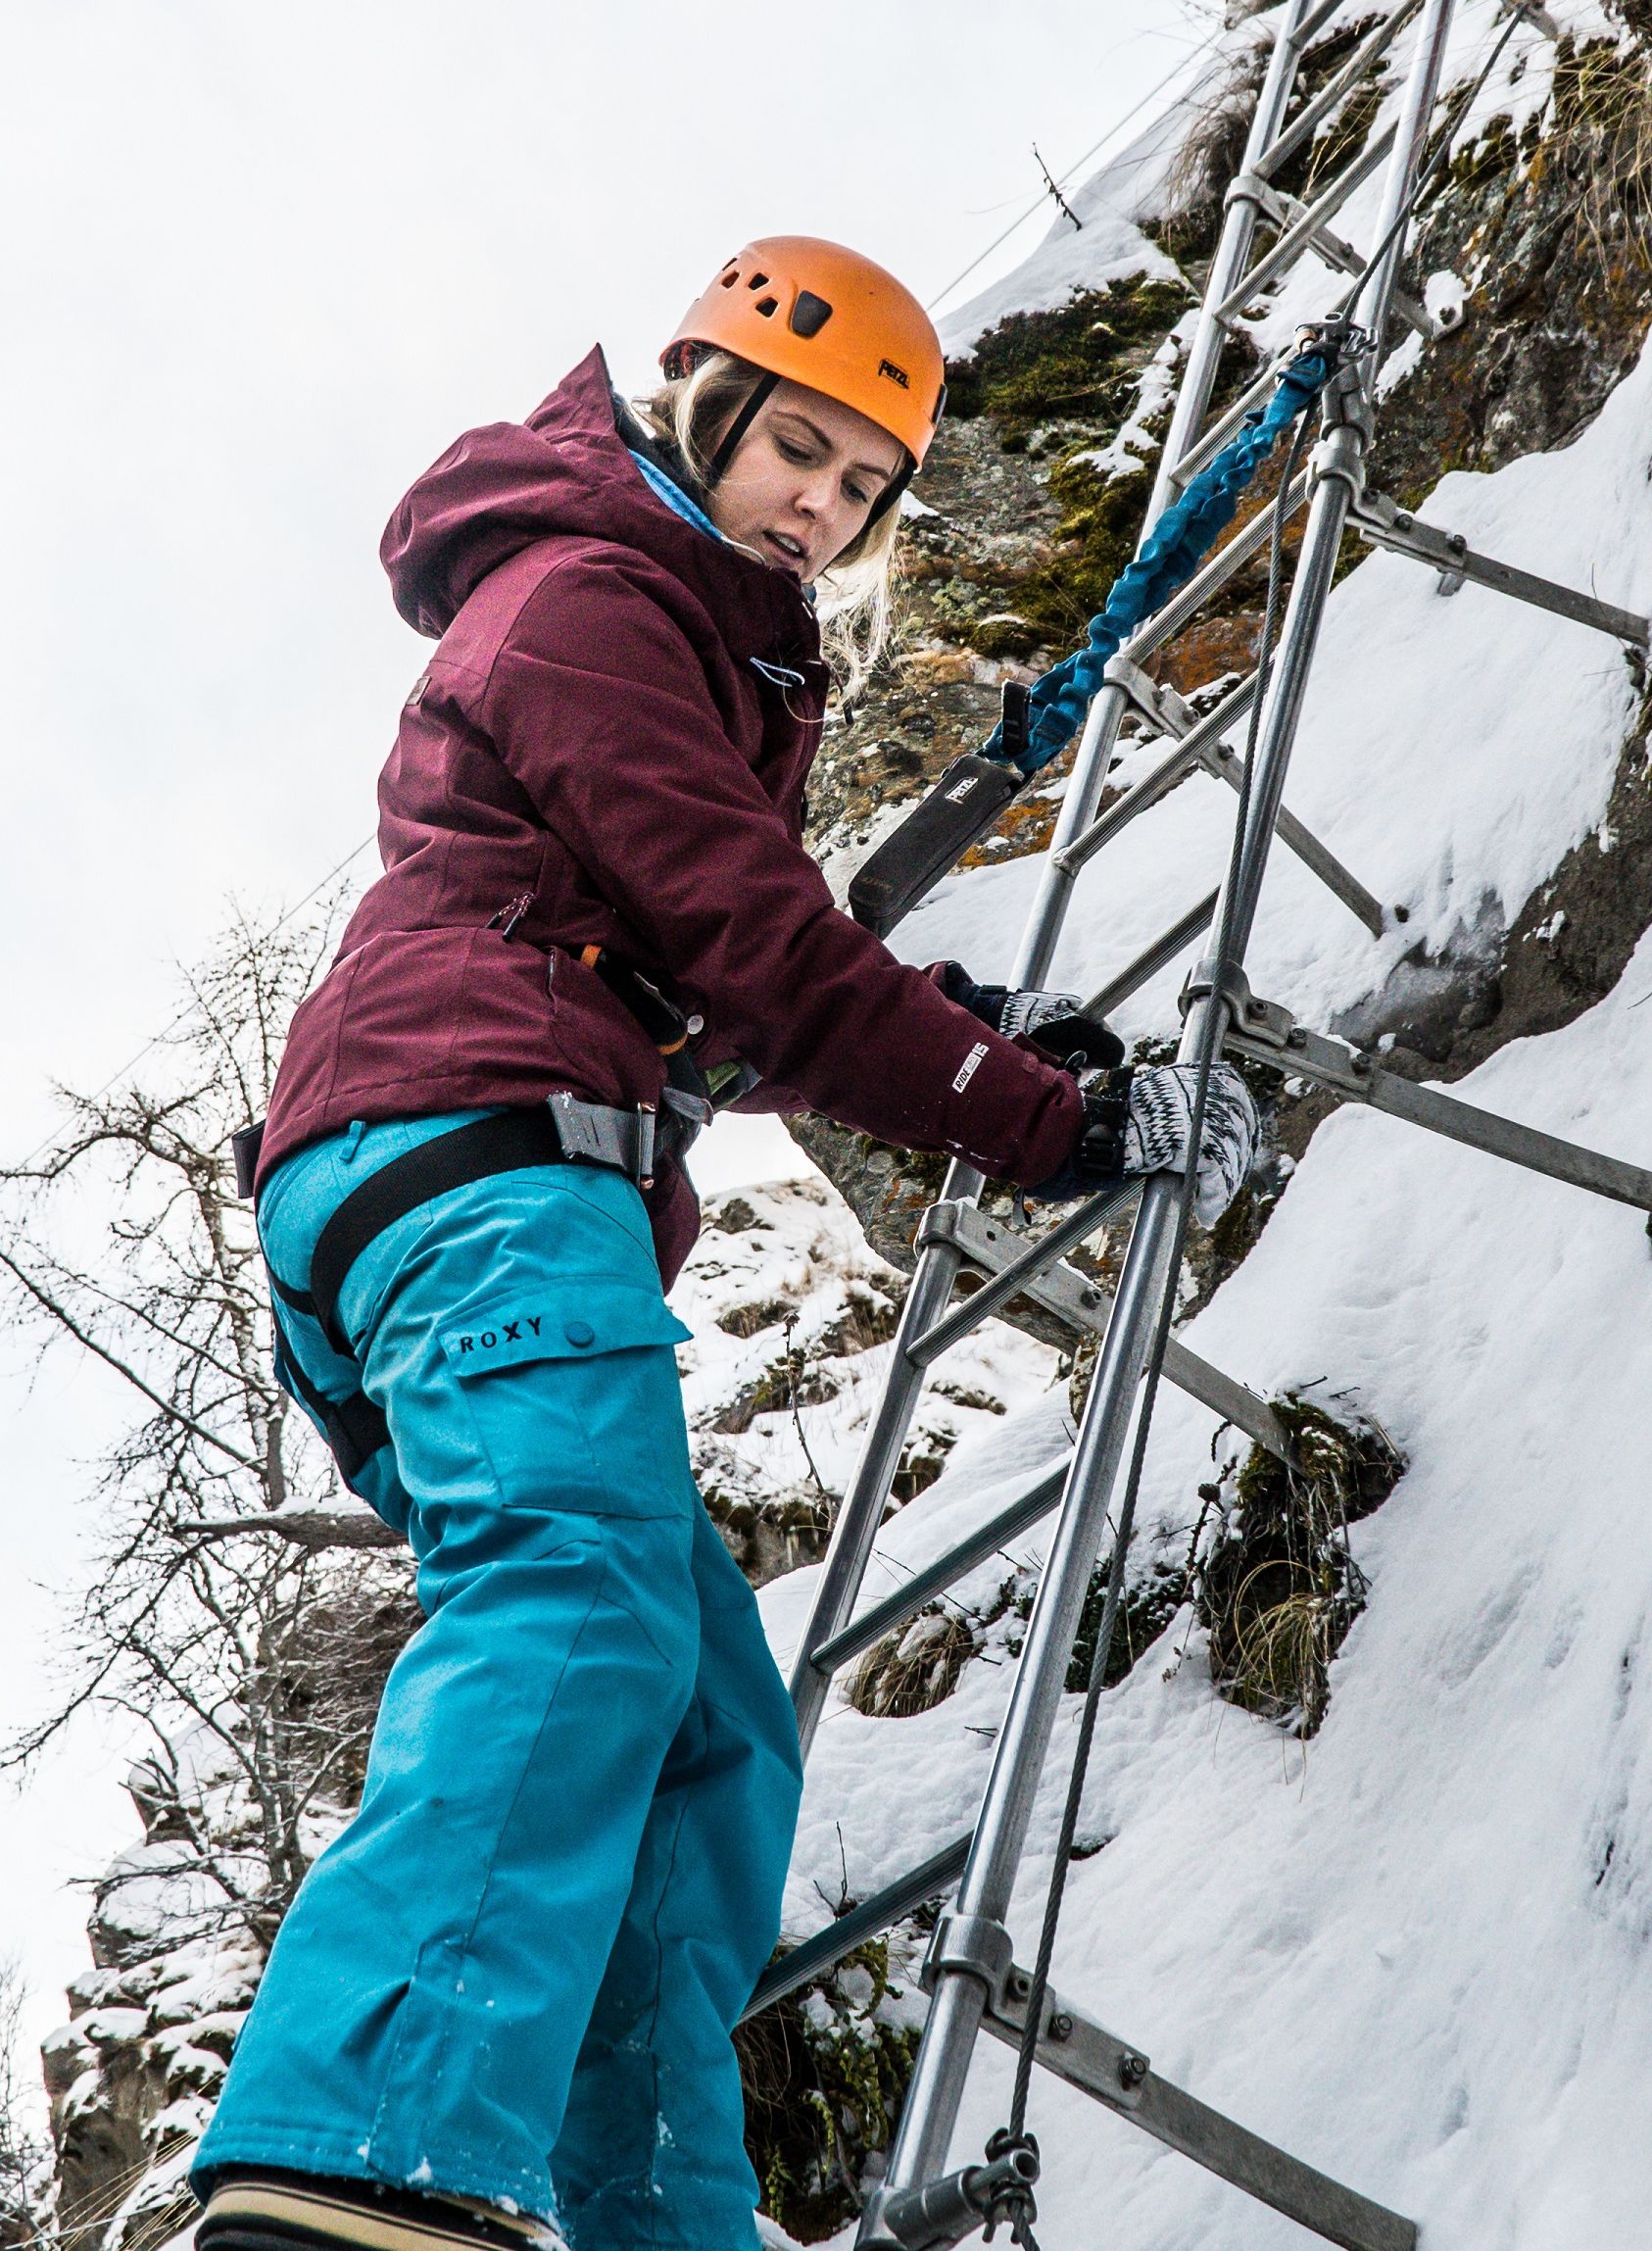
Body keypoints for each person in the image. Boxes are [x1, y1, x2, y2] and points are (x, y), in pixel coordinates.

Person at [190, 237, 1260, 2251]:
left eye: (862, 489)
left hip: (465, 1164)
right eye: (797, 449)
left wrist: (966, 1026)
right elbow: (757, 945)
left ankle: (658, 2223)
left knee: (695, 1715)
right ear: (698, 400)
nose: (821, 508)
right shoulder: (592, 598)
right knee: (578, 1602)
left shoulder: (686, 636)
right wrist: (1046, 1119)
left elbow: (713, 967)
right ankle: (346, 2170)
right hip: (477, 1160)